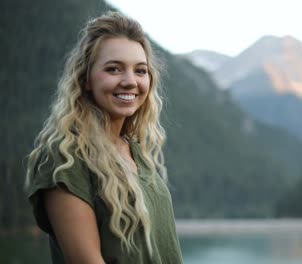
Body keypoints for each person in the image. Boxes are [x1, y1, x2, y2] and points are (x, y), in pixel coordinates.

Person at [25, 11, 183, 264]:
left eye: (140, 70)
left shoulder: (135, 150)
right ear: (86, 79)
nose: (130, 81)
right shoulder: (65, 158)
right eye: (114, 69)